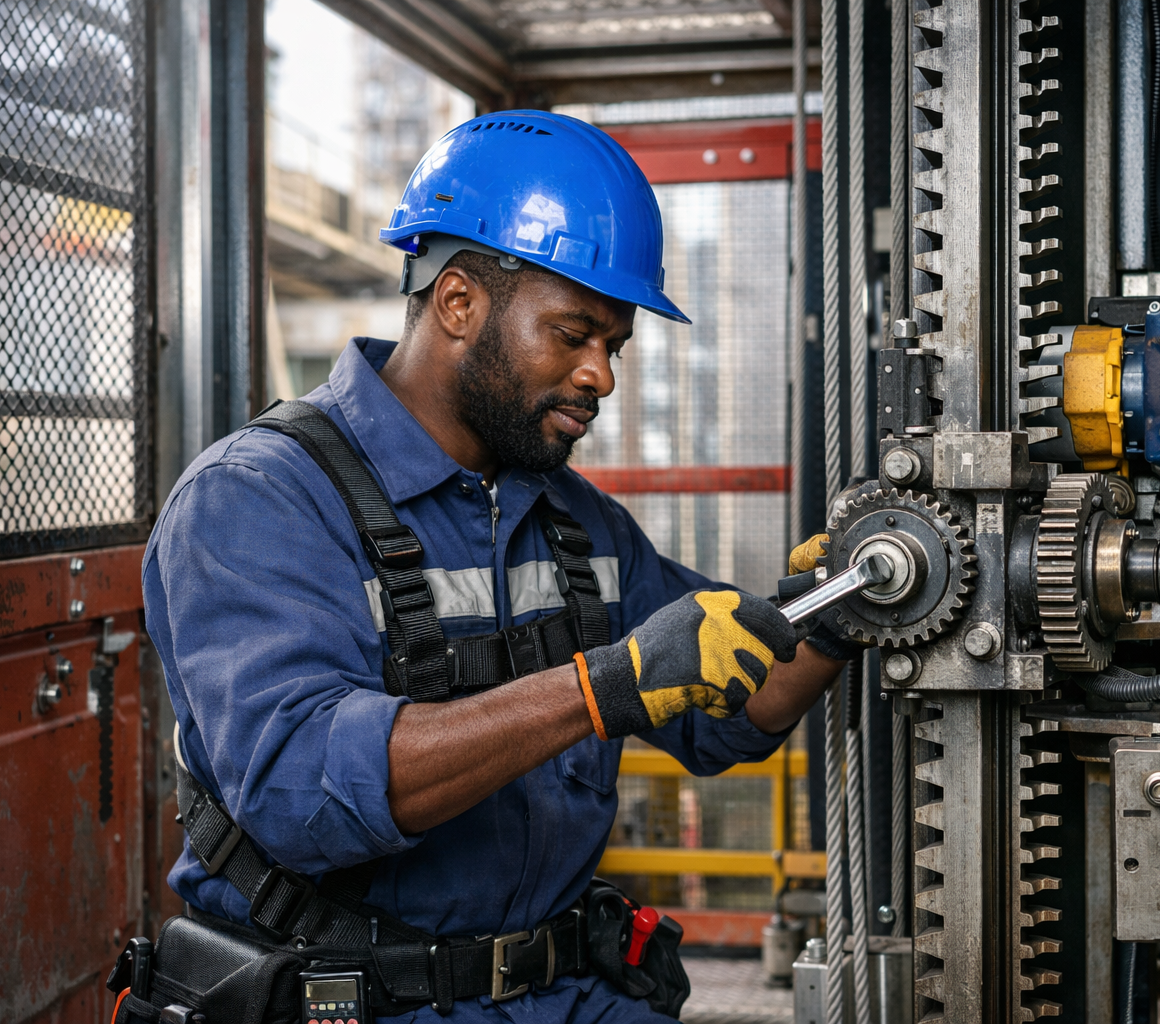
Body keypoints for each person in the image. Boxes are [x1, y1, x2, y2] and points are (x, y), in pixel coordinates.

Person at [141, 111, 859, 1024]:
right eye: (574, 333)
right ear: (457, 303)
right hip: (349, 1001)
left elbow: (732, 711)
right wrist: (596, 692)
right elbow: (299, 789)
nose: (601, 375)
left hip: (559, 991)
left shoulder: (576, 523)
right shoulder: (258, 501)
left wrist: (838, 609)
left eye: (616, 346)